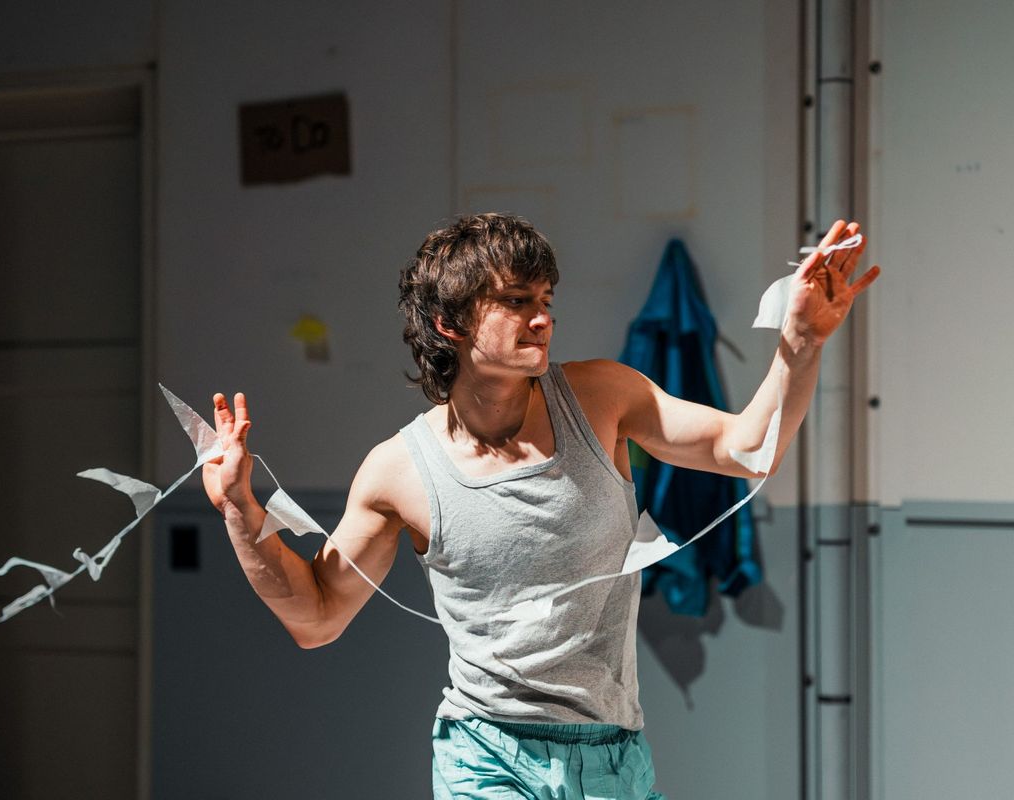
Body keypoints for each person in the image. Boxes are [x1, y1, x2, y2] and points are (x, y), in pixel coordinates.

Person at [202, 213, 879, 799]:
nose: (543, 317)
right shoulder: (399, 471)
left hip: (614, 753)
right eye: (517, 300)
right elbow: (317, 618)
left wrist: (801, 342)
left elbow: (746, 449)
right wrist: (239, 510)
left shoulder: (601, 397)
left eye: (547, 298)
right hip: (485, 753)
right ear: (449, 322)